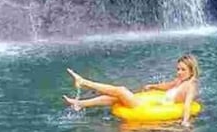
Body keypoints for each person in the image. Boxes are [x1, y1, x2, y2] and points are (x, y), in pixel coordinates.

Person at [63, 53, 200, 126]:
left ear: (191, 70)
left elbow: (187, 104)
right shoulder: (180, 80)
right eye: (178, 69)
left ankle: (83, 82)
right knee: (115, 98)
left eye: (183, 69)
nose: (179, 72)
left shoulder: (191, 85)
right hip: (153, 104)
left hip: (148, 109)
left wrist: (185, 121)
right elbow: (168, 85)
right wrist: (153, 86)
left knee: (121, 90)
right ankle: (79, 104)